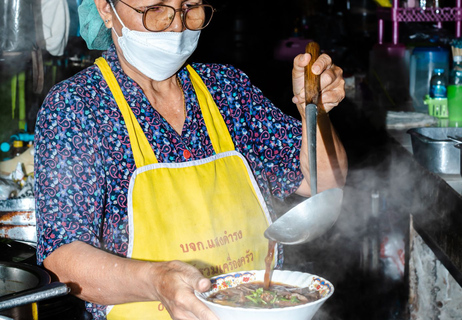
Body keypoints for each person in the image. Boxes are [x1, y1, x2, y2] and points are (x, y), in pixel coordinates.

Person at [34, 0, 348, 319]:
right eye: (155, 9)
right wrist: (156, 281)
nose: (176, 26)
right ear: (105, 8)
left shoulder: (229, 90)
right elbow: (62, 259)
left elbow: (321, 183)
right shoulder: (78, 108)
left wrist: (314, 110)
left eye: (190, 8)